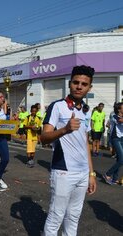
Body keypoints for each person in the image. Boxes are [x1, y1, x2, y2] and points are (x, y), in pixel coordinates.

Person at [42, 65, 97, 236]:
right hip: (63, 171)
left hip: (82, 173)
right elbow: (43, 138)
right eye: (76, 82)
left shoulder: (86, 111)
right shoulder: (57, 106)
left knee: (74, 217)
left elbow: (84, 143)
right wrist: (65, 129)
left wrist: (91, 173)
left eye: (84, 84)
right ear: (70, 83)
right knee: (56, 217)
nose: (79, 86)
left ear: (89, 87)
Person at [103, 102, 123, 185]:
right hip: (116, 139)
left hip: (122, 138)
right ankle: (107, 174)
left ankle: (115, 179)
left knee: (119, 159)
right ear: (119, 109)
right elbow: (120, 120)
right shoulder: (114, 116)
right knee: (122, 159)